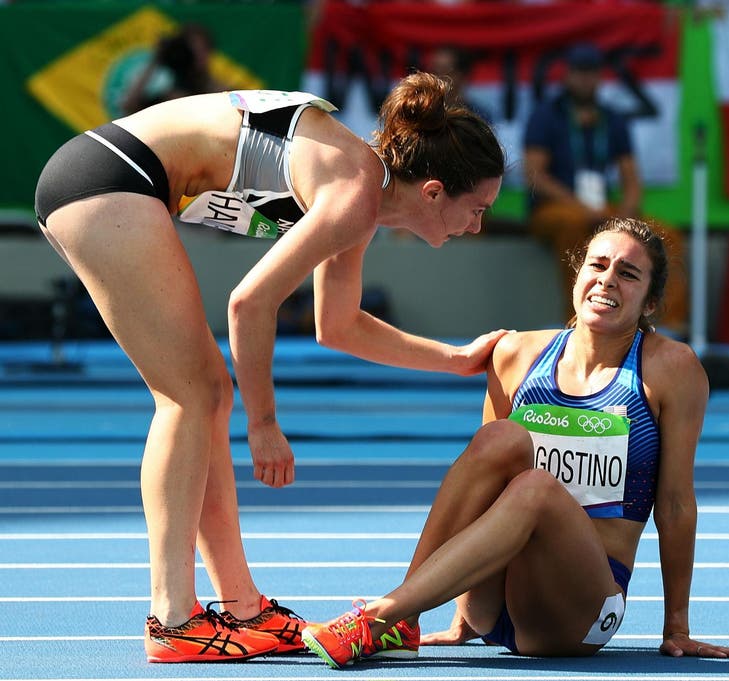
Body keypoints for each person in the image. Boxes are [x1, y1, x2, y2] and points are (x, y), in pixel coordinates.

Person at [34, 73, 506, 663]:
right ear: (434, 192)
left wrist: (456, 359)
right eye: (478, 208)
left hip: (110, 177)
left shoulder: (362, 193)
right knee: (191, 395)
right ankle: (173, 619)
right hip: (108, 177)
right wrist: (265, 424)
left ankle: (243, 607)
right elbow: (249, 302)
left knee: (204, 393)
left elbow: (338, 325)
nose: (478, 226)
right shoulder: (355, 194)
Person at [300, 217, 729, 667]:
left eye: (627, 274)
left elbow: (674, 505)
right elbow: (480, 483)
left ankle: (385, 614)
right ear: (578, 276)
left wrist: (677, 628)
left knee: (535, 489)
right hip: (490, 603)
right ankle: (406, 615)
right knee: (499, 439)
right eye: (597, 265)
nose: (607, 280)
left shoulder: (670, 368)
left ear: (651, 302)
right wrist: (462, 621)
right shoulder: (516, 354)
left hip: (581, 612)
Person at [523, 43, 643, 321]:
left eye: (591, 72)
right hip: (555, 210)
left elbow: (632, 179)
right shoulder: (546, 115)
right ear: (567, 75)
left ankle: (665, 325)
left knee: (659, 235)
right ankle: (580, 317)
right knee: (575, 224)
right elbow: (534, 176)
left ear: (600, 77)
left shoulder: (612, 119)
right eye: (579, 72)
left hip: (601, 209)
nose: (585, 79)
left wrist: (626, 215)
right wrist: (580, 206)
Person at [121, 24, 226, 115]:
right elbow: (129, 105)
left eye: (200, 50)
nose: (194, 56)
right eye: (190, 50)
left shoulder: (217, 95)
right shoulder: (166, 100)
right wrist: (156, 60)